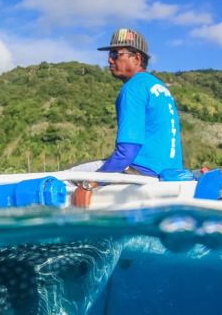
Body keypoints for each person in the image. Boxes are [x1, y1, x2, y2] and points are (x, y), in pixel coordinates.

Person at [71, 28, 187, 207]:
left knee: (61, 181)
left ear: (137, 58)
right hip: (167, 173)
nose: (109, 59)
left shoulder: (133, 88)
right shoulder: (159, 87)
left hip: (140, 172)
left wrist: (89, 185)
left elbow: (126, 152)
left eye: (116, 54)